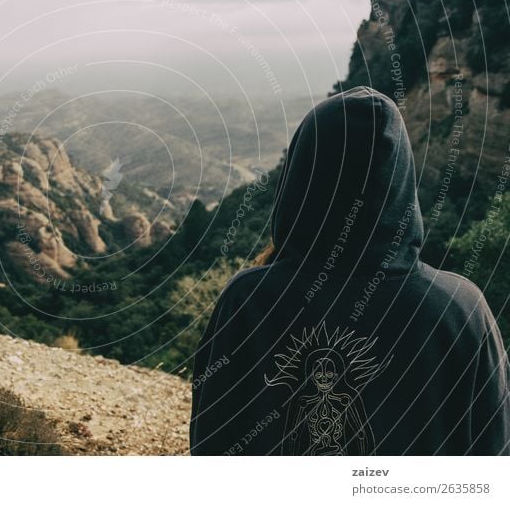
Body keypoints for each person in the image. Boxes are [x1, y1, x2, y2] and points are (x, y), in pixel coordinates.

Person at [190, 86, 510, 455]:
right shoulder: (460, 309)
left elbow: (211, 444)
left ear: (301, 177)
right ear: (401, 178)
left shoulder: (248, 301)